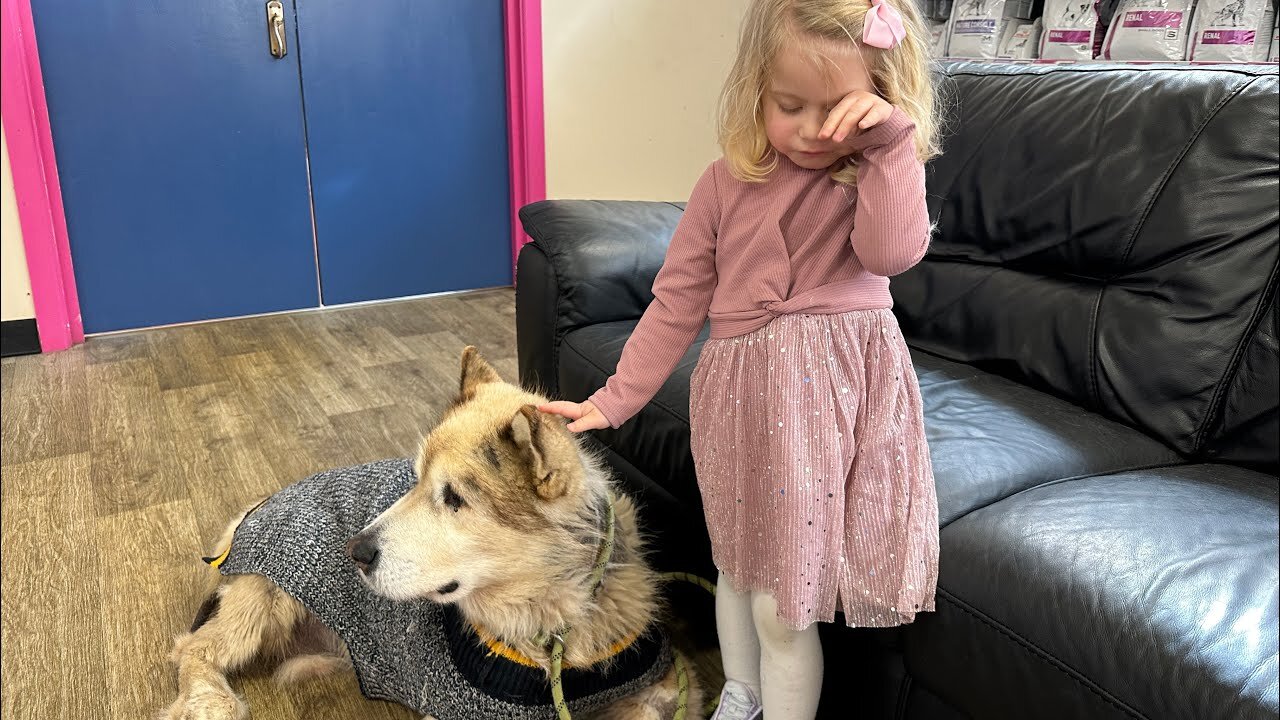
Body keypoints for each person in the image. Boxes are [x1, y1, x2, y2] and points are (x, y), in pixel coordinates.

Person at [540, 0, 942, 716]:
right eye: (790, 105)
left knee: (784, 604)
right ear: (755, 86)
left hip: (826, 406)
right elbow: (674, 304)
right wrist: (612, 399)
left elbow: (893, 253)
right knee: (734, 565)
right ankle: (742, 693)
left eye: (839, 108)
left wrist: (889, 146)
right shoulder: (723, 184)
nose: (816, 130)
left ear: (881, 96)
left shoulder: (874, 172)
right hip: (737, 401)